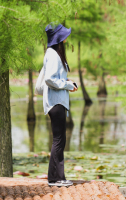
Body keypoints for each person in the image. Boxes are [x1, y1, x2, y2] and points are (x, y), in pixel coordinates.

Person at [43, 22, 78, 187]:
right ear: (59, 39)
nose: (66, 41)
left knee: (60, 139)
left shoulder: (54, 53)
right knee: (59, 140)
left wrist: (66, 82)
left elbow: (55, 77)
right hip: (56, 103)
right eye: (64, 38)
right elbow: (49, 79)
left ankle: (54, 177)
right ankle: (57, 179)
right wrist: (67, 85)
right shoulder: (52, 54)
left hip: (58, 102)